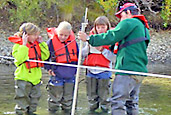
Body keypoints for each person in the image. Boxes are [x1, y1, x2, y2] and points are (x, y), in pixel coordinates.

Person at [78, 3, 150, 115]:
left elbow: (112, 36)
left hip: (127, 70)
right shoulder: (143, 27)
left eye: (121, 16)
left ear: (128, 12)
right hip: (139, 71)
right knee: (132, 103)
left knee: (117, 102)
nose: (121, 20)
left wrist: (89, 38)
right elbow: (124, 44)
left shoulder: (129, 22)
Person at [8, 22, 50, 115]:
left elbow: (45, 56)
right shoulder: (18, 46)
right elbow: (19, 58)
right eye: (34, 35)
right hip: (23, 78)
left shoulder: (37, 45)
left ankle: (31, 112)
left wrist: (42, 43)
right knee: (22, 99)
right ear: (25, 35)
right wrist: (24, 44)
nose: (36, 37)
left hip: (36, 78)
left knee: (35, 99)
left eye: (37, 35)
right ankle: (20, 112)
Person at [82, 16, 116, 113]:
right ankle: (92, 112)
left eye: (103, 27)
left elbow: (114, 59)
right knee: (91, 97)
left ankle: (105, 111)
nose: (100, 30)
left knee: (104, 98)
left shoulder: (112, 40)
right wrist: (87, 46)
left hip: (104, 72)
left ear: (107, 27)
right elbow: (83, 54)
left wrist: (102, 50)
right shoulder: (91, 39)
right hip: (91, 71)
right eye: (98, 27)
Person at [44, 21, 79, 114]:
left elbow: (78, 57)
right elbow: (45, 57)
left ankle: (67, 112)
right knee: (54, 99)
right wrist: (49, 68)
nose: (63, 37)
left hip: (70, 75)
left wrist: (76, 70)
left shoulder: (73, 43)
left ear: (69, 34)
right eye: (61, 34)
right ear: (57, 32)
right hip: (57, 75)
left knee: (68, 99)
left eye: (66, 35)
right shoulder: (51, 42)